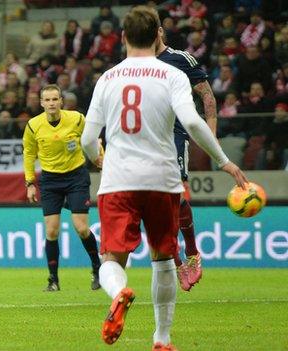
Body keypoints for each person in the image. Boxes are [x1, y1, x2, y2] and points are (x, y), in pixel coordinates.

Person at [80, 6, 247, 350]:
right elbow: (194, 122)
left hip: (118, 181)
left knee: (111, 259)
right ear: (158, 35)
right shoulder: (172, 75)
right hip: (162, 179)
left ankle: (119, 292)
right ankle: (162, 339)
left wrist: (98, 158)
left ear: (123, 37)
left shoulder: (107, 79)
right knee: (163, 257)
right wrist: (224, 161)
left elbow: (87, 138)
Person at [22, 84, 103, 292]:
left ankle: (97, 268)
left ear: (61, 101)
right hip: (50, 180)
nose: (51, 103)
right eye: (47, 100)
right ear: (41, 103)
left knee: (82, 228)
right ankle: (53, 280)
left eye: (54, 99)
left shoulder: (76, 119)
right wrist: (30, 182)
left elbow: (92, 139)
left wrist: (100, 158)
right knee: (51, 230)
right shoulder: (33, 125)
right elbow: (29, 154)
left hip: (76, 176)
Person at [156, 26, 218, 291]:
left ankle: (191, 254)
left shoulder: (181, 59)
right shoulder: (134, 64)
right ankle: (177, 261)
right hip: (144, 140)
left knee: (177, 197)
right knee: (155, 206)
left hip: (174, 135)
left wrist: (211, 137)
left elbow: (206, 95)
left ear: (159, 32)